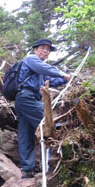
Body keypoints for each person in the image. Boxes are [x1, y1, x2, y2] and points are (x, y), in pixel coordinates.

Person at [14, 39, 71, 179]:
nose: (45, 51)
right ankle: (53, 159)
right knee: (48, 123)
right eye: (42, 48)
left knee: (25, 134)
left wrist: (65, 79)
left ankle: (27, 170)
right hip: (27, 98)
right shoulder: (31, 60)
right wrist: (62, 73)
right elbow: (45, 69)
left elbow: (49, 80)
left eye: (48, 50)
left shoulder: (37, 72)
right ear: (35, 49)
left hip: (24, 100)